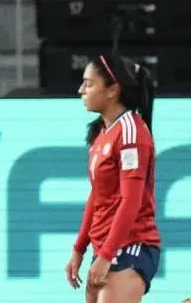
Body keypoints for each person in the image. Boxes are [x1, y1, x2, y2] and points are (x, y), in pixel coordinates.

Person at [64, 55, 162, 303]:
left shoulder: (131, 132)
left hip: (132, 246)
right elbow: (96, 197)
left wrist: (106, 255)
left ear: (112, 90)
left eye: (88, 83)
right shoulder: (101, 133)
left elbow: (131, 200)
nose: (80, 90)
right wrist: (79, 249)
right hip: (105, 247)